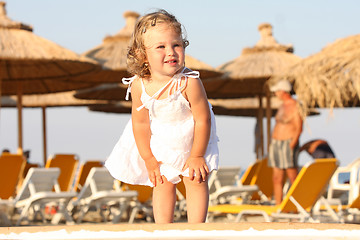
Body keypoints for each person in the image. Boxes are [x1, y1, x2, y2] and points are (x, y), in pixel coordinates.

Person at [105, 9, 219, 223]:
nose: (171, 52)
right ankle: (163, 230)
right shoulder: (139, 85)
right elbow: (139, 124)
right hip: (162, 138)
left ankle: (197, 229)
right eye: (161, 47)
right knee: (162, 180)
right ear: (142, 55)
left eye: (176, 44)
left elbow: (203, 120)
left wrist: (196, 156)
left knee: (195, 178)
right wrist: (149, 159)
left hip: (194, 136)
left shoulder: (189, 83)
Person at [268, 79, 303, 205]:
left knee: (292, 176)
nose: (275, 94)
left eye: (276, 91)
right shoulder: (281, 106)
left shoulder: (295, 105)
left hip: (288, 143)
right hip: (276, 143)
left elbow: (299, 127)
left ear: (283, 91)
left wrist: (293, 143)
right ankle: (279, 204)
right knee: (277, 177)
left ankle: (296, 204)